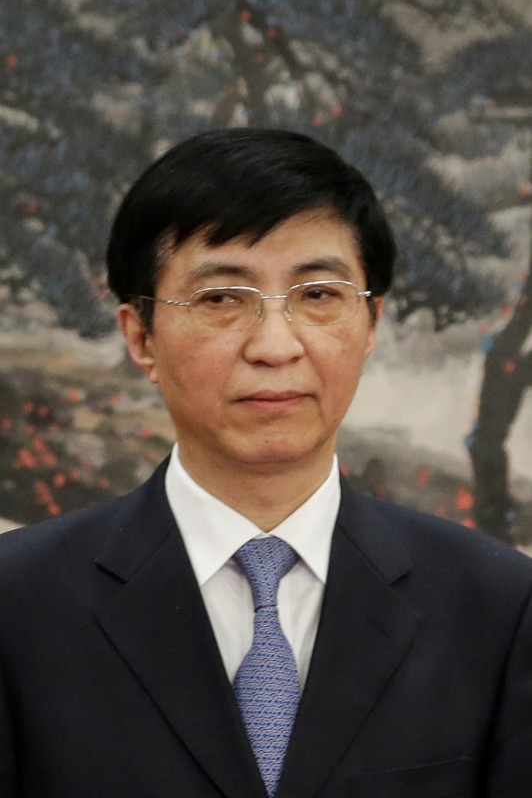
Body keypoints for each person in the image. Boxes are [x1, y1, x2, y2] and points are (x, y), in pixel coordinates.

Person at [0, 128, 531, 798]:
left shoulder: (499, 607)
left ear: (370, 323)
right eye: (221, 299)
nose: (276, 347)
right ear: (140, 336)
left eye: (318, 295)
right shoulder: (16, 605)